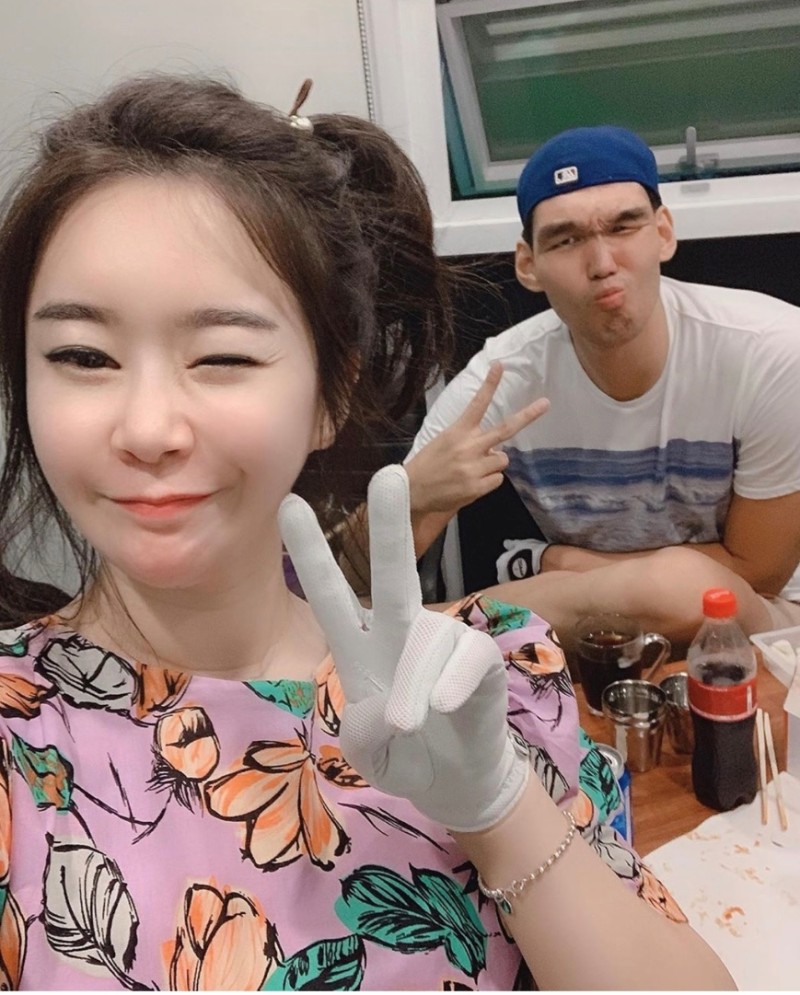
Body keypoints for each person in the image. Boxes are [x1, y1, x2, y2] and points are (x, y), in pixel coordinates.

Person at [0, 78, 732, 990]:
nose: (148, 428)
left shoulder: (493, 684)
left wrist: (498, 809)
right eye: (82, 356)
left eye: (222, 356)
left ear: (331, 392)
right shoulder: (19, 739)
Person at [406, 125, 800, 650]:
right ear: (529, 265)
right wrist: (409, 497)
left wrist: (561, 563)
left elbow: (757, 574)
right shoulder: (501, 379)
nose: (602, 264)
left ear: (663, 233)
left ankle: (426, 631)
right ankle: (424, 633)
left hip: (765, 626)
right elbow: (356, 571)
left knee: (680, 590)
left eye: (623, 227)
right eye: (566, 240)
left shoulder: (770, 350)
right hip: (594, 633)